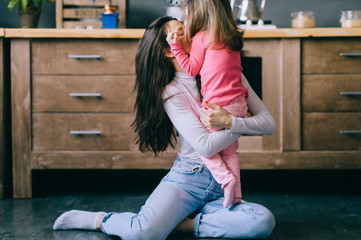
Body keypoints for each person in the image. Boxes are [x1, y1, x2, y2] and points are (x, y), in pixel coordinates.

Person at [53, 16, 276, 240]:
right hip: (188, 178)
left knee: (262, 221)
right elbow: (205, 147)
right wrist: (241, 120)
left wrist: (230, 121)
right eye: (182, 30)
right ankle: (101, 220)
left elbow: (268, 124)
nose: (191, 32)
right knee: (144, 233)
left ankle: (179, 225)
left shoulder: (227, 70)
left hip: (224, 182)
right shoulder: (171, 92)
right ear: (171, 50)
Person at [166, 0, 248, 208]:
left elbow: (192, 69)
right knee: (230, 151)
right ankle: (236, 196)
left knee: (203, 148)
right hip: (239, 104)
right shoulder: (232, 39)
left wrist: (175, 46)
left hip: (218, 108)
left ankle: (225, 180)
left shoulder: (202, 38)